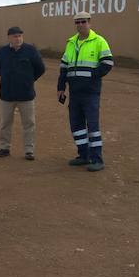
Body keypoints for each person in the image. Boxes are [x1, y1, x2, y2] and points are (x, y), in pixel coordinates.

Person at [57, 12, 113, 171]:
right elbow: (63, 68)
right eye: (77, 22)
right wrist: (60, 87)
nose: (80, 24)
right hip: (75, 93)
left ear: (89, 22)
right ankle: (84, 155)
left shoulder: (99, 41)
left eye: (83, 21)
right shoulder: (71, 42)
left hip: (90, 92)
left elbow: (108, 63)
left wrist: (91, 76)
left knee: (93, 126)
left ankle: (97, 160)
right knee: (77, 125)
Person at [0, 26, 46, 160]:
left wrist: (28, 80)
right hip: (7, 94)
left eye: (20, 36)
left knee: (29, 123)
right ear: (9, 38)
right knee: (5, 123)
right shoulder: (2, 52)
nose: (18, 39)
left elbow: (40, 68)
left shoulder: (31, 51)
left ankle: (29, 150)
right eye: (15, 36)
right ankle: (4, 148)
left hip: (26, 95)